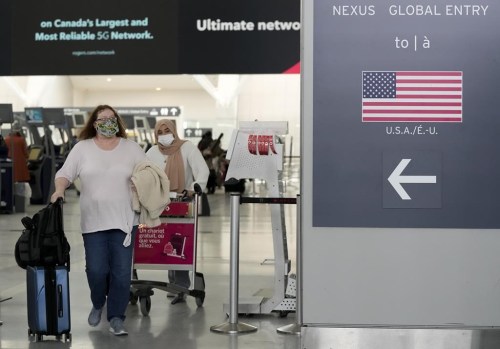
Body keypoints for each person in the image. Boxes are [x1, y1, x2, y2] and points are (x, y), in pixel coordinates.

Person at [50, 105, 147, 336]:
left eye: (112, 118)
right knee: (96, 270)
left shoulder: (131, 148)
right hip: (93, 222)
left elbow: (148, 173)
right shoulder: (82, 149)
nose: (107, 122)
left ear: (118, 121)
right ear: (94, 123)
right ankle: (97, 302)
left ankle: (116, 317)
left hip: (124, 222)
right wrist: (59, 190)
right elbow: (64, 173)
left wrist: (142, 183)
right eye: (102, 119)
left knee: (122, 273)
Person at [146, 119, 209, 304]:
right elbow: (145, 174)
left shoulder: (187, 148)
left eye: (167, 130)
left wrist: (194, 187)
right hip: (159, 203)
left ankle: (181, 285)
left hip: (182, 201)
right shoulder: (151, 152)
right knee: (165, 239)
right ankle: (173, 283)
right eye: (160, 131)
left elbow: (202, 170)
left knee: (178, 241)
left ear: (174, 131)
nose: (164, 134)